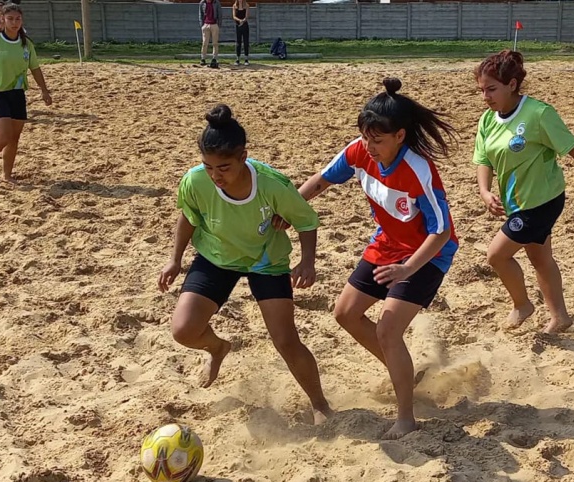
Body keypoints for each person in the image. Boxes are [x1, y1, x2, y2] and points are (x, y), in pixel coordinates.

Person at [289, 78, 459, 440]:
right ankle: (403, 373)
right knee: (345, 313)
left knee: (387, 330)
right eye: (365, 137)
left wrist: (408, 268)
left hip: (426, 254)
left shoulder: (418, 169)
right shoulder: (358, 151)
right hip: (387, 243)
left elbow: (441, 231)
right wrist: (286, 211)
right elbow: (320, 181)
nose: (369, 146)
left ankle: (406, 417)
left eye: (377, 140)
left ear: (399, 136)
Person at [157, 104, 333, 425]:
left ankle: (319, 403)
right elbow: (188, 217)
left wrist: (308, 262)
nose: (215, 176)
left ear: (243, 157)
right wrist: (174, 259)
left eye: (223, 167)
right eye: (208, 167)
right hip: (216, 257)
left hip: (265, 261)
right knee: (183, 330)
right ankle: (217, 348)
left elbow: (306, 222)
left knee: (285, 340)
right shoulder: (195, 182)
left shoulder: (272, 184)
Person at [473, 50, 574, 334]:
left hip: (542, 200)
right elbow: (483, 159)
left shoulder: (539, 114)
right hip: (517, 201)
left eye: (491, 89)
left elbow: (572, 147)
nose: (486, 97)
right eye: (482, 90)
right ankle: (560, 317)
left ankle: (522, 305)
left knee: (496, 256)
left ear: (513, 85)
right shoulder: (488, 120)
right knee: (540, 258)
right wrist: (484, 191)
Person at [0, 2, 52, 186]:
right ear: (2, 19)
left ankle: (7, 175)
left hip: (17, 92)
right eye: (10, 19)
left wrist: (44, 90)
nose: (14, 22)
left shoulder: (26, 43)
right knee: (3, 136)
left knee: (14, 138)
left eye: (18, 19)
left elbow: (35, 68)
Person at [198, 0, 222, 68]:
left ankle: (214, 58)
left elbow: (220, 14)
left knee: (215, 43)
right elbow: (200, 14)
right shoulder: (202, 3)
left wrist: (218, 25)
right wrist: (202, 25)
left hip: (214, 24)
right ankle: (203, 58)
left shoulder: (216, 2)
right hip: (206, 24)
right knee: (205, 43)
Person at [232, 0, 249, 66]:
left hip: (245, 25)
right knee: (238, 42)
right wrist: (239, 20)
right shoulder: (234, 6)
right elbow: (234, 16)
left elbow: (247, 16)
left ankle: (246, 59)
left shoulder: (246, 5)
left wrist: (243, 21)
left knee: (246, 42)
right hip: (238, 25)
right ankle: (237, 59)